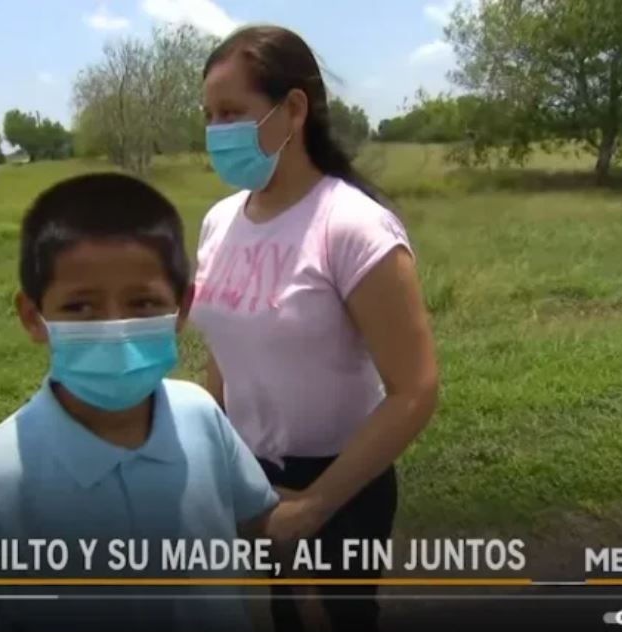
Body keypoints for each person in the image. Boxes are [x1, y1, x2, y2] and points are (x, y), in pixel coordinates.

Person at [0, 173, 279, 630]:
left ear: (182, 309)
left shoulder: (200, 414)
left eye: (143, 303)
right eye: (81, 307)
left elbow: (258, 520)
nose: (115, 329)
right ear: (34, 317)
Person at [192, 25, 441, 631]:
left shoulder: (353, 227)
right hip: (254, 474)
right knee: (286, 617)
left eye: (232, 112)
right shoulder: (220, 221)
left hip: (341, 482)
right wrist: (210, 456)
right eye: (208, 115)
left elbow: (415, 389)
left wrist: (313, 506)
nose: (216, 131)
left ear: (293, 109)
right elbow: (227, 348)